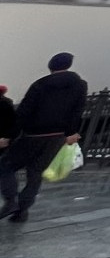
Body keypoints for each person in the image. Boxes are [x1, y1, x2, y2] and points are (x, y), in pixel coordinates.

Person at [1, 53, 88, 223]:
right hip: (57, 137)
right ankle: (22, 210)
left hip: (33, 135)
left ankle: (11, 201)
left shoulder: (41, 84)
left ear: (51, 66)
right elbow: (77, 111)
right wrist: (71, 132)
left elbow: (24, 112)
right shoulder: (79, 85)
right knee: (35, 173)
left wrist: (9, 136)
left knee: (5, 166)